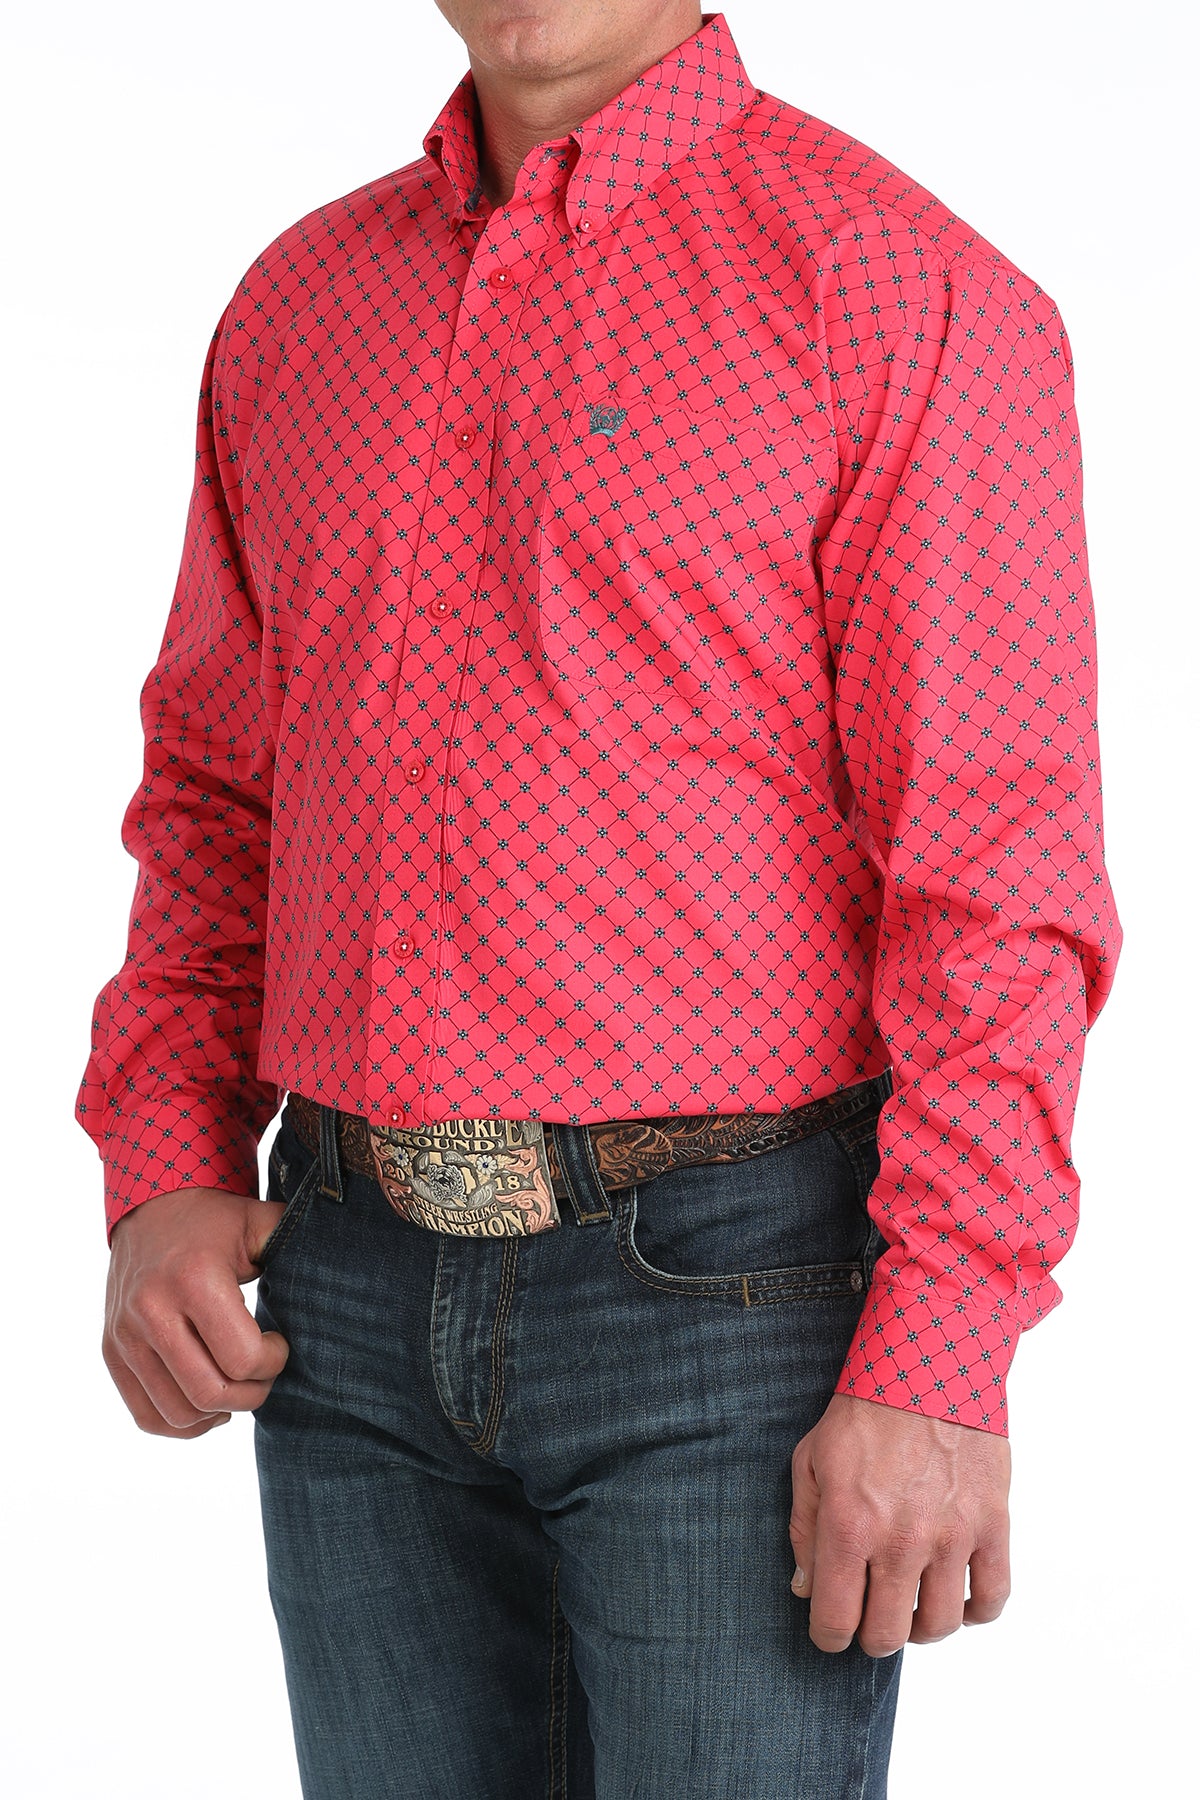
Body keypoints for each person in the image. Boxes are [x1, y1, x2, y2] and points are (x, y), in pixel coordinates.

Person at [79, 5, 1122, 1796]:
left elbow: (996, 874)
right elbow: (218, 787)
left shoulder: (900, 291)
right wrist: (166, 1162)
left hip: (737, 1308)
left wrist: (942, 1350)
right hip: (340, 1299)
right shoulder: (299, 306)